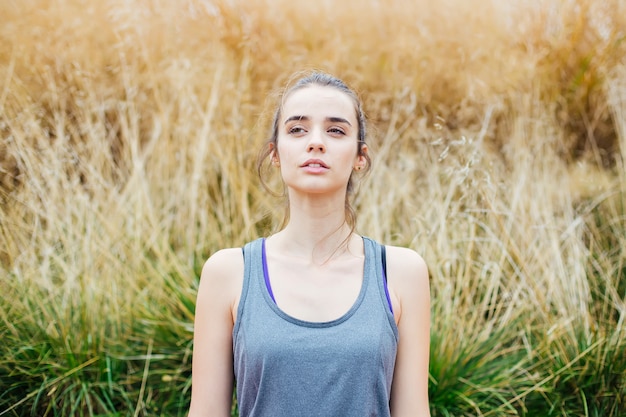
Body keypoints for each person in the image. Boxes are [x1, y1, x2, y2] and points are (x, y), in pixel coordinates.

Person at [187, 71, 431, 417]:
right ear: (275, 153)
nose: (315, 142)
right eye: (297, 129)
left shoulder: (401, 272)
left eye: (336, 130)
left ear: (360, 156)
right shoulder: (228, 273)